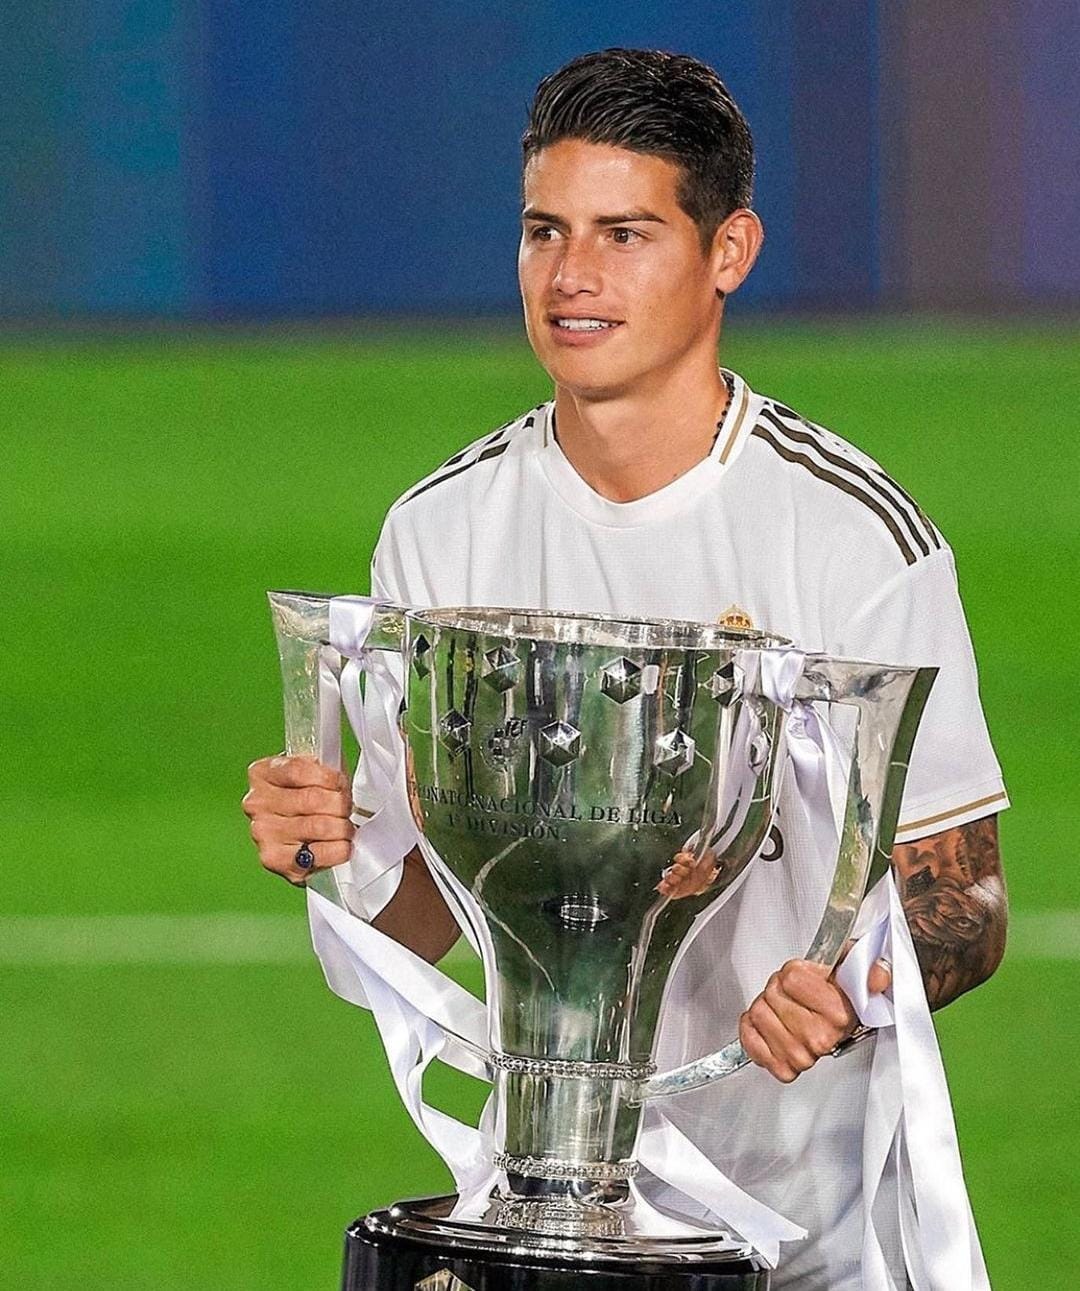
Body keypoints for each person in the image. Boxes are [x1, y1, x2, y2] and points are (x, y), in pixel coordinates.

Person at [242, 49, 1008, 1289]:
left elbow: (963, 902)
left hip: (796, 1237)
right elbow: (431, 908)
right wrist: (327, 844)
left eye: (625, 233)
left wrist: (855, 986)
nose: (572, 277)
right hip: (537, 1221)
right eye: (544, 230)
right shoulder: (439, 532)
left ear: (729, 251)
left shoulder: (853, 535)